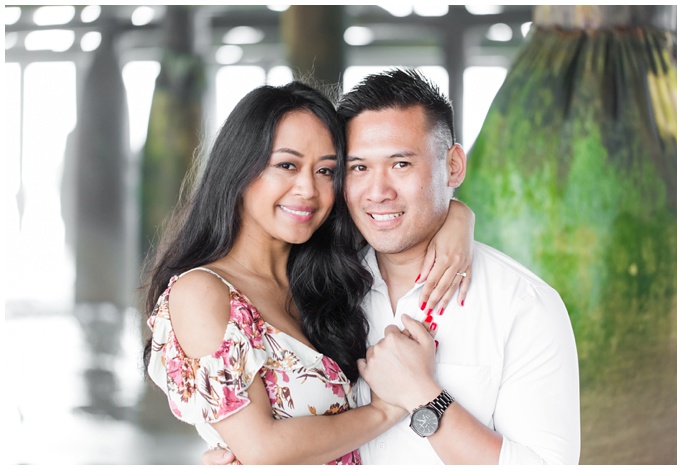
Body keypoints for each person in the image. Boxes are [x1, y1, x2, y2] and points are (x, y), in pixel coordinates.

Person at [204, 68, 580, 465]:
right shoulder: (318, 286)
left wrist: (425, 397)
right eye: (358, 168)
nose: (378, 193)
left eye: (401, 164)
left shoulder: (523, 305)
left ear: (453, 166)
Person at [142, 80, 475, 464]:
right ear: (239, 170)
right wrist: (388, 408)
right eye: (287, 165)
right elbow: (262, 448)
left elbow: (407, 219)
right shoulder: (203, 293)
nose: (308, 190)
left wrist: (458, 218)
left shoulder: (323, 279)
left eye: (326, 171)